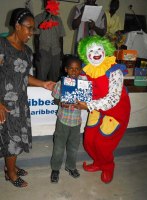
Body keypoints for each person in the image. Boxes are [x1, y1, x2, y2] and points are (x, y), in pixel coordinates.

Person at [0, 8, 55, 188]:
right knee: (10, 141)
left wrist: (43, 84)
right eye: (28, 28)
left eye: (33, 29)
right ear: (17, 26)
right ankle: (11, 173)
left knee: (17, 138)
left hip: (21, 103)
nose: (31, 33)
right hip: (5, 105)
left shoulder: (26, 51)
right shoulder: (2, 46)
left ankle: (12, 166)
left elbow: (24, 76)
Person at [77, 35, 131, 184]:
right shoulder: (85, 70)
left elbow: (113, 99)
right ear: (85, 54)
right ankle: (98, 162)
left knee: (102, 143)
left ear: (105, 50)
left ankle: (108, 166)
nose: (96, 53)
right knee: (88, 140)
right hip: (97, 108)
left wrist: (88, 105)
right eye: (91, 50)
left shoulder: (114, 71)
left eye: (99, 49)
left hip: (116, 111)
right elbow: (83, 92)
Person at [50, 55, 84, 183]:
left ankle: (70, 167)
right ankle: (55, 169)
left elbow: (87, 101)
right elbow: (55, 98)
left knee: (73, 147)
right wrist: (60, 103)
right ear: (66, 69)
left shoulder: (83, 84)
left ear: (80, 70)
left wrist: (83, 103)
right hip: (63, 121)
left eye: (77, 69)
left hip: (76, 122)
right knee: (58, 147)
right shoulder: (60, 83)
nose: (74, 72)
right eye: (71, 69)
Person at [34, 0, 65, 82]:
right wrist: (37, 52)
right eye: (46, 2)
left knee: (54, 76)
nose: (48, 4)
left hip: (56, 51)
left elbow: (61, 37)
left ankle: (52, 94)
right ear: (44, 4)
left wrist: (61, 52)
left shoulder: (58, 19)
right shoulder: (38, 18)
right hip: (43, 50)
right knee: (41, 76)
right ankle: (40, 94)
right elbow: (36, 37)